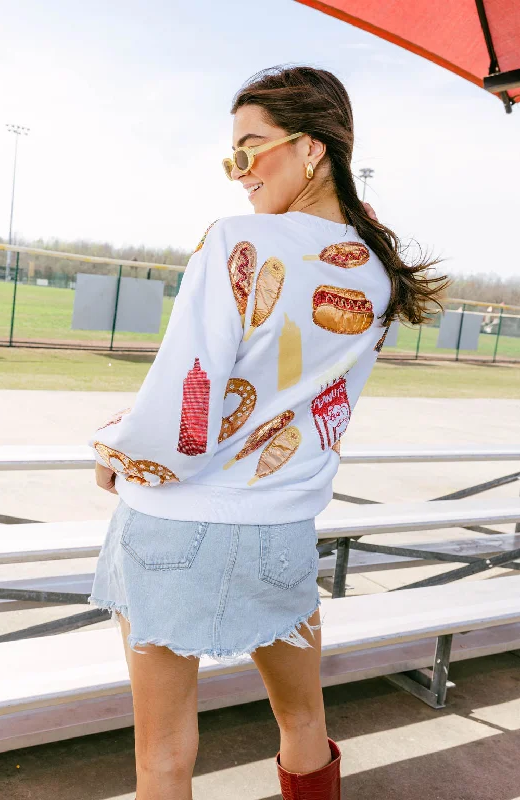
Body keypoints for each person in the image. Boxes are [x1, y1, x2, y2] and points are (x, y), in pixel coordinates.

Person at [88, 65, 450, 800]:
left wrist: (117, 451)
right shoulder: (374, 267)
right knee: (304, 721)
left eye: (248, 150)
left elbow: (187, 392)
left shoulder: (238, 241)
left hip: (175, 526)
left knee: (162, 757)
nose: (236, 172)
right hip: (281, 526)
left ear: (310, 148)